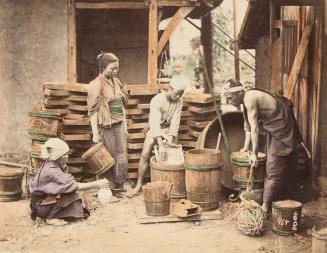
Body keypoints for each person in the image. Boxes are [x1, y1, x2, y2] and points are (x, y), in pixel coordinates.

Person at [224, 79, 303, 213]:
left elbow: (254, 128)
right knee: (272, 162)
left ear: (239, 93)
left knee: (273, 166)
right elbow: (248, 126)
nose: (229, 101)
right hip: (273, 124)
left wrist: (254, 154)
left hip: (281, 124)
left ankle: (265, 206)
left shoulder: (250, 99)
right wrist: (245, 147)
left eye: (230, 98)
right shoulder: (245, 99)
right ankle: (273, 196)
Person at [130, 75, 188, 196]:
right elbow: (154, 123)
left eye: (181, 94)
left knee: (173, 156)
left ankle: (172, 186)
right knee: (145, 155)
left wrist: (170, 142)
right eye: (177, 93)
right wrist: (161, 145)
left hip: (168, 130)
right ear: (170, 88)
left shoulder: (179, 101)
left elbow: (175, 121)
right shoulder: (157, 100)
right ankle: (139, 184)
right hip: (155, 128)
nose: (178, 96)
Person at [29, 138, 104, 223]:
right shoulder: (51, 170)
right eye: (65, 154)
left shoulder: (54, 164)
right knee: (69, 193)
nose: (67, 156)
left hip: (44, 203)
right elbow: (74, 185)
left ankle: (65, 214)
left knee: (71, 193)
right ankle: (50, 218)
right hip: (41, 206)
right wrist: (97, 184)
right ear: (58, 156)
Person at [87, 52, 128, 198]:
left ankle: (119, 186)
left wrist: (125, 125)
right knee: (108, 158)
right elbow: (92, 111)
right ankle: (107, 188)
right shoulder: (96, 85)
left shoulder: (116, 82)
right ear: (103, 67)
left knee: (121, 156)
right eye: (112, 68)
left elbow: (121, 104)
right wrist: (96, 134)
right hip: (106, 127)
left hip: (118, 124)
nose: (115, 71)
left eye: (117, 68)